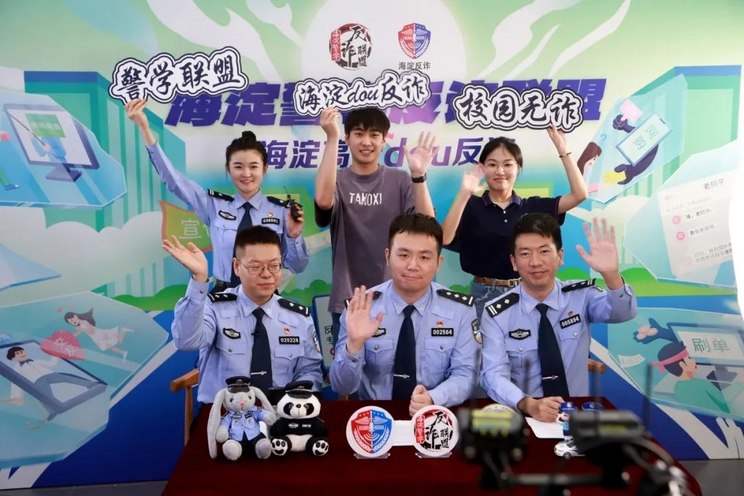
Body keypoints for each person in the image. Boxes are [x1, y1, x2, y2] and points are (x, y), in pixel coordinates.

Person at [126, 99, 308, 293]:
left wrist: (293, 236)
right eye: (238, 166)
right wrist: (145, 128)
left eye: (253, 166)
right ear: (228, 169)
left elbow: (298, 266)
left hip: (266, 299)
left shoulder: (281, 211)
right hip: (223, 299)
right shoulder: (214, 205)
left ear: (264, 169)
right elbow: (174, 181)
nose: (246, 174)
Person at [480, 213, 636, 422]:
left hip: (577, 414)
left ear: (560, 256)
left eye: (544, 251)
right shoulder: (497, 314)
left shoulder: (581, 296)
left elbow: (623, 313)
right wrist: (528, 404)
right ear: (514, 262)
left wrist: (612, 275)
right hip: (527, 415)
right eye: (525, 254)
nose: (535, 262)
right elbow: (492, 374)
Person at [330, 214, 479, 416]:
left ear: (438, 262)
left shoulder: (460, 310)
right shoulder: (361, 308)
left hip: (435, 416)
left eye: (424, 257)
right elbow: (341, 386)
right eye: (403, 255)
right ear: (387, 257)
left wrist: (434, 397)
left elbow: (467, 375)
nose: (412, 265)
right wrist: (354, 345)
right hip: (376, 419)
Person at [315, 106, 436, 345]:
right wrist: (332, 138)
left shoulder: (400, 180)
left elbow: (428, 225)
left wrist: (418, 176)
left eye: (374, 135)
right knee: (349, 364)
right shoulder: (336, 179)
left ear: (384, 140)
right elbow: (324, 201)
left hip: (396, 297)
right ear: (347, 138)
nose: (366, 142)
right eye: (359, 134)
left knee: (397, 365)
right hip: (349, 298)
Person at [166, 226, 323, 404]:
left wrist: (297, 403)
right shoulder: (214, 308)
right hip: (225, 415)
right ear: (237, 266)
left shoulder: (299, 318)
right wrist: (199, 279)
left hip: (281, 414)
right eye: (256, 267)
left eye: (274, 266)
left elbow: (309, 370)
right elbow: (186, 341)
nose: (266, 274)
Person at [442, 129, 588, 318]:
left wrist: (563, 150)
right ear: (483, 168)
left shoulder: (532, 206)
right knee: (483, 339)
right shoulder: (470, 205)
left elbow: (579, 195)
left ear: (518, 168)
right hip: (483, 295)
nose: (500, 171)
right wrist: (464, 194)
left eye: (507, 164)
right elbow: (444, 239)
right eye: (492, 164)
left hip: (527, 292)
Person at [6, 346, 100, 405]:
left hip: (50, 374)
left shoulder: (36, 361)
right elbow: (16, 382)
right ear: (13, 358)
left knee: (66, 377)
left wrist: (55, 355)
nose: (21, 354)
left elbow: (51, 364)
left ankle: (90, 384)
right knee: (45, 395)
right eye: (17, 353)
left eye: (22, 351)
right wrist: (16, 396)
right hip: (37, 380)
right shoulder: (17, 368)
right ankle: (52, 410)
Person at [65, 309, 131, 361]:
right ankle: (123, 352)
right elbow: (78, 333)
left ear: (75, 316)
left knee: (116, 342)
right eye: (70, 322)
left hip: (98, 334)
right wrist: (70, 337)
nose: (72, 322)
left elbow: (91, 331)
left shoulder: (84, 322)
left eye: (72, 320)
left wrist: (82, 330)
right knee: (109, 346)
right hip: (96, 337)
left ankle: (122, 331)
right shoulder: (77, 327)